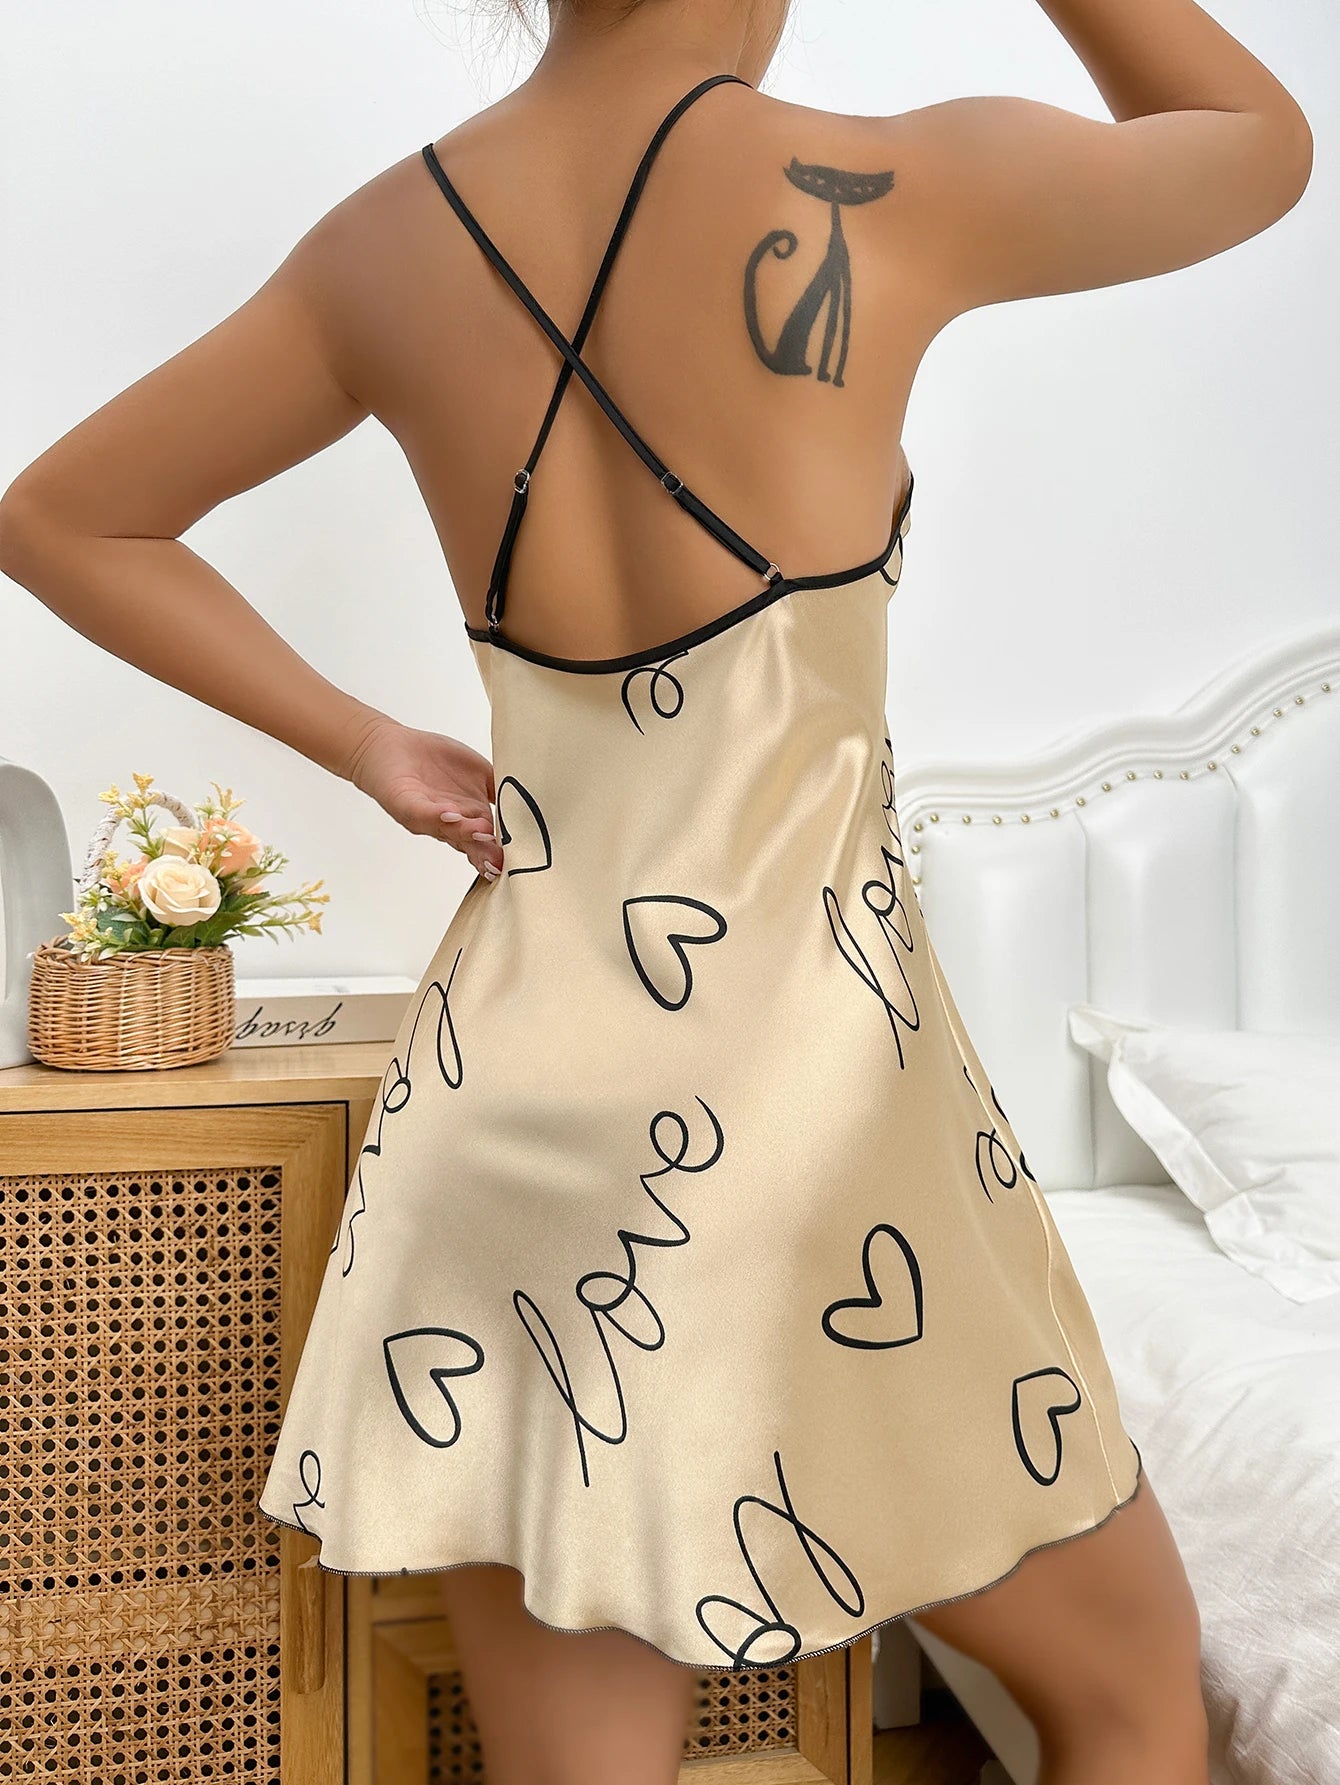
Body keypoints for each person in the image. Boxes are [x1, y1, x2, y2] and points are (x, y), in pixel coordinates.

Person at [0, 2, 1311, 1781]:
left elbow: (60, 514)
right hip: (802, 1098)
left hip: (502, 1121)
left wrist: (369, 745)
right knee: (1135, 1690)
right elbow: (1257, 145)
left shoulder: (383, 243)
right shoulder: (885, 183)